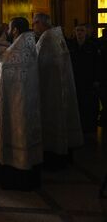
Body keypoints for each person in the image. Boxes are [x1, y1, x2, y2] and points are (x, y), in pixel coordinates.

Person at [0, 17, 42, 190]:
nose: (8, 32)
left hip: (15, 105)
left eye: (10, 28)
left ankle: (14, 177)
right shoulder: (30, 45)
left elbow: (1, 68)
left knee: (15, 136)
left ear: (16, 30)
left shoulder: (15, 52)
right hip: (28, 102)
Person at [33, 13, 83, 169]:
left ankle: (54, 159)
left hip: (50, 90)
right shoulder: (58, 36)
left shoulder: (47, 39)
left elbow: (39, 65)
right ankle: (65, 155)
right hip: (61, 87)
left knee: (52, 122)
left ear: (41, 23)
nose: (34, 27)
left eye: (34, 23)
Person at [68, 24, 101, 133]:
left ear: (86, 32)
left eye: (82, 30)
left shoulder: (92, 46)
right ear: (74, 32)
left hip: (88, 80)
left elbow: (97, 64)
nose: (79, 33)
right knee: (77, 104)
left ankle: (89, 127)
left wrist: (96, 79)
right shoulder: (71, 45)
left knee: (89, 104)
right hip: (75, 79)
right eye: (77, 30)